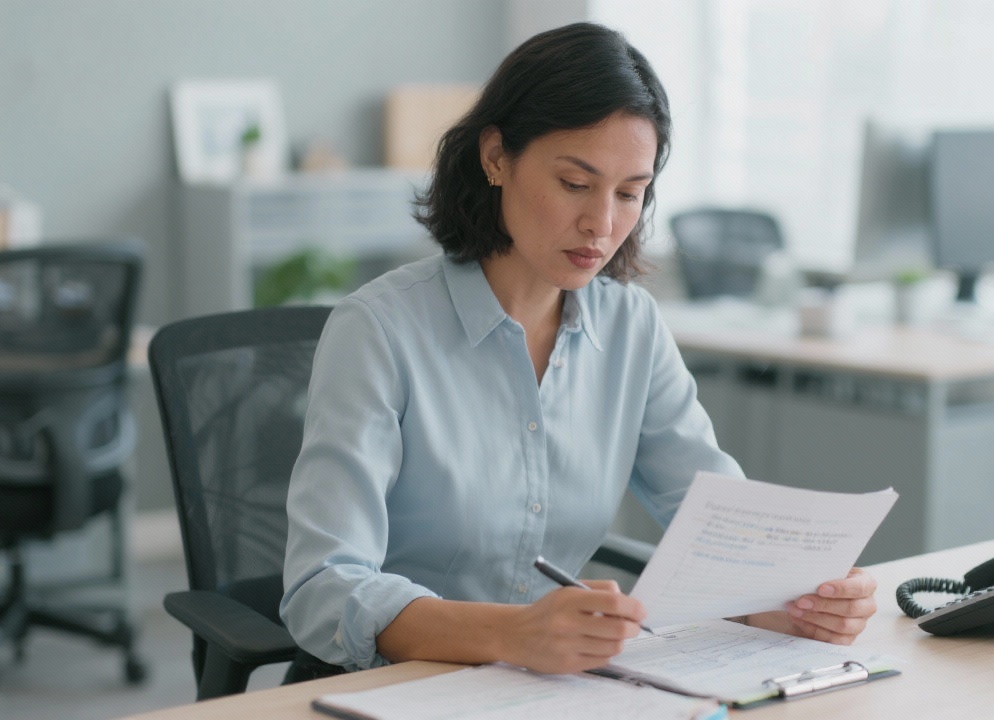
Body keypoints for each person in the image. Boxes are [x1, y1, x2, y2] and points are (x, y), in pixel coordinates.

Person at [280, 21, 876, 676]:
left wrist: (788, 601)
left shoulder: (631, 327)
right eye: (575, 183)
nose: (603, 224)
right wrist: (515, 634)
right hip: (391, 687)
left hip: (545, 686)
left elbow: (717, 522)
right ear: (496, 157)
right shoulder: (378, 330)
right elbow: (322, 588)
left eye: (629, 193)